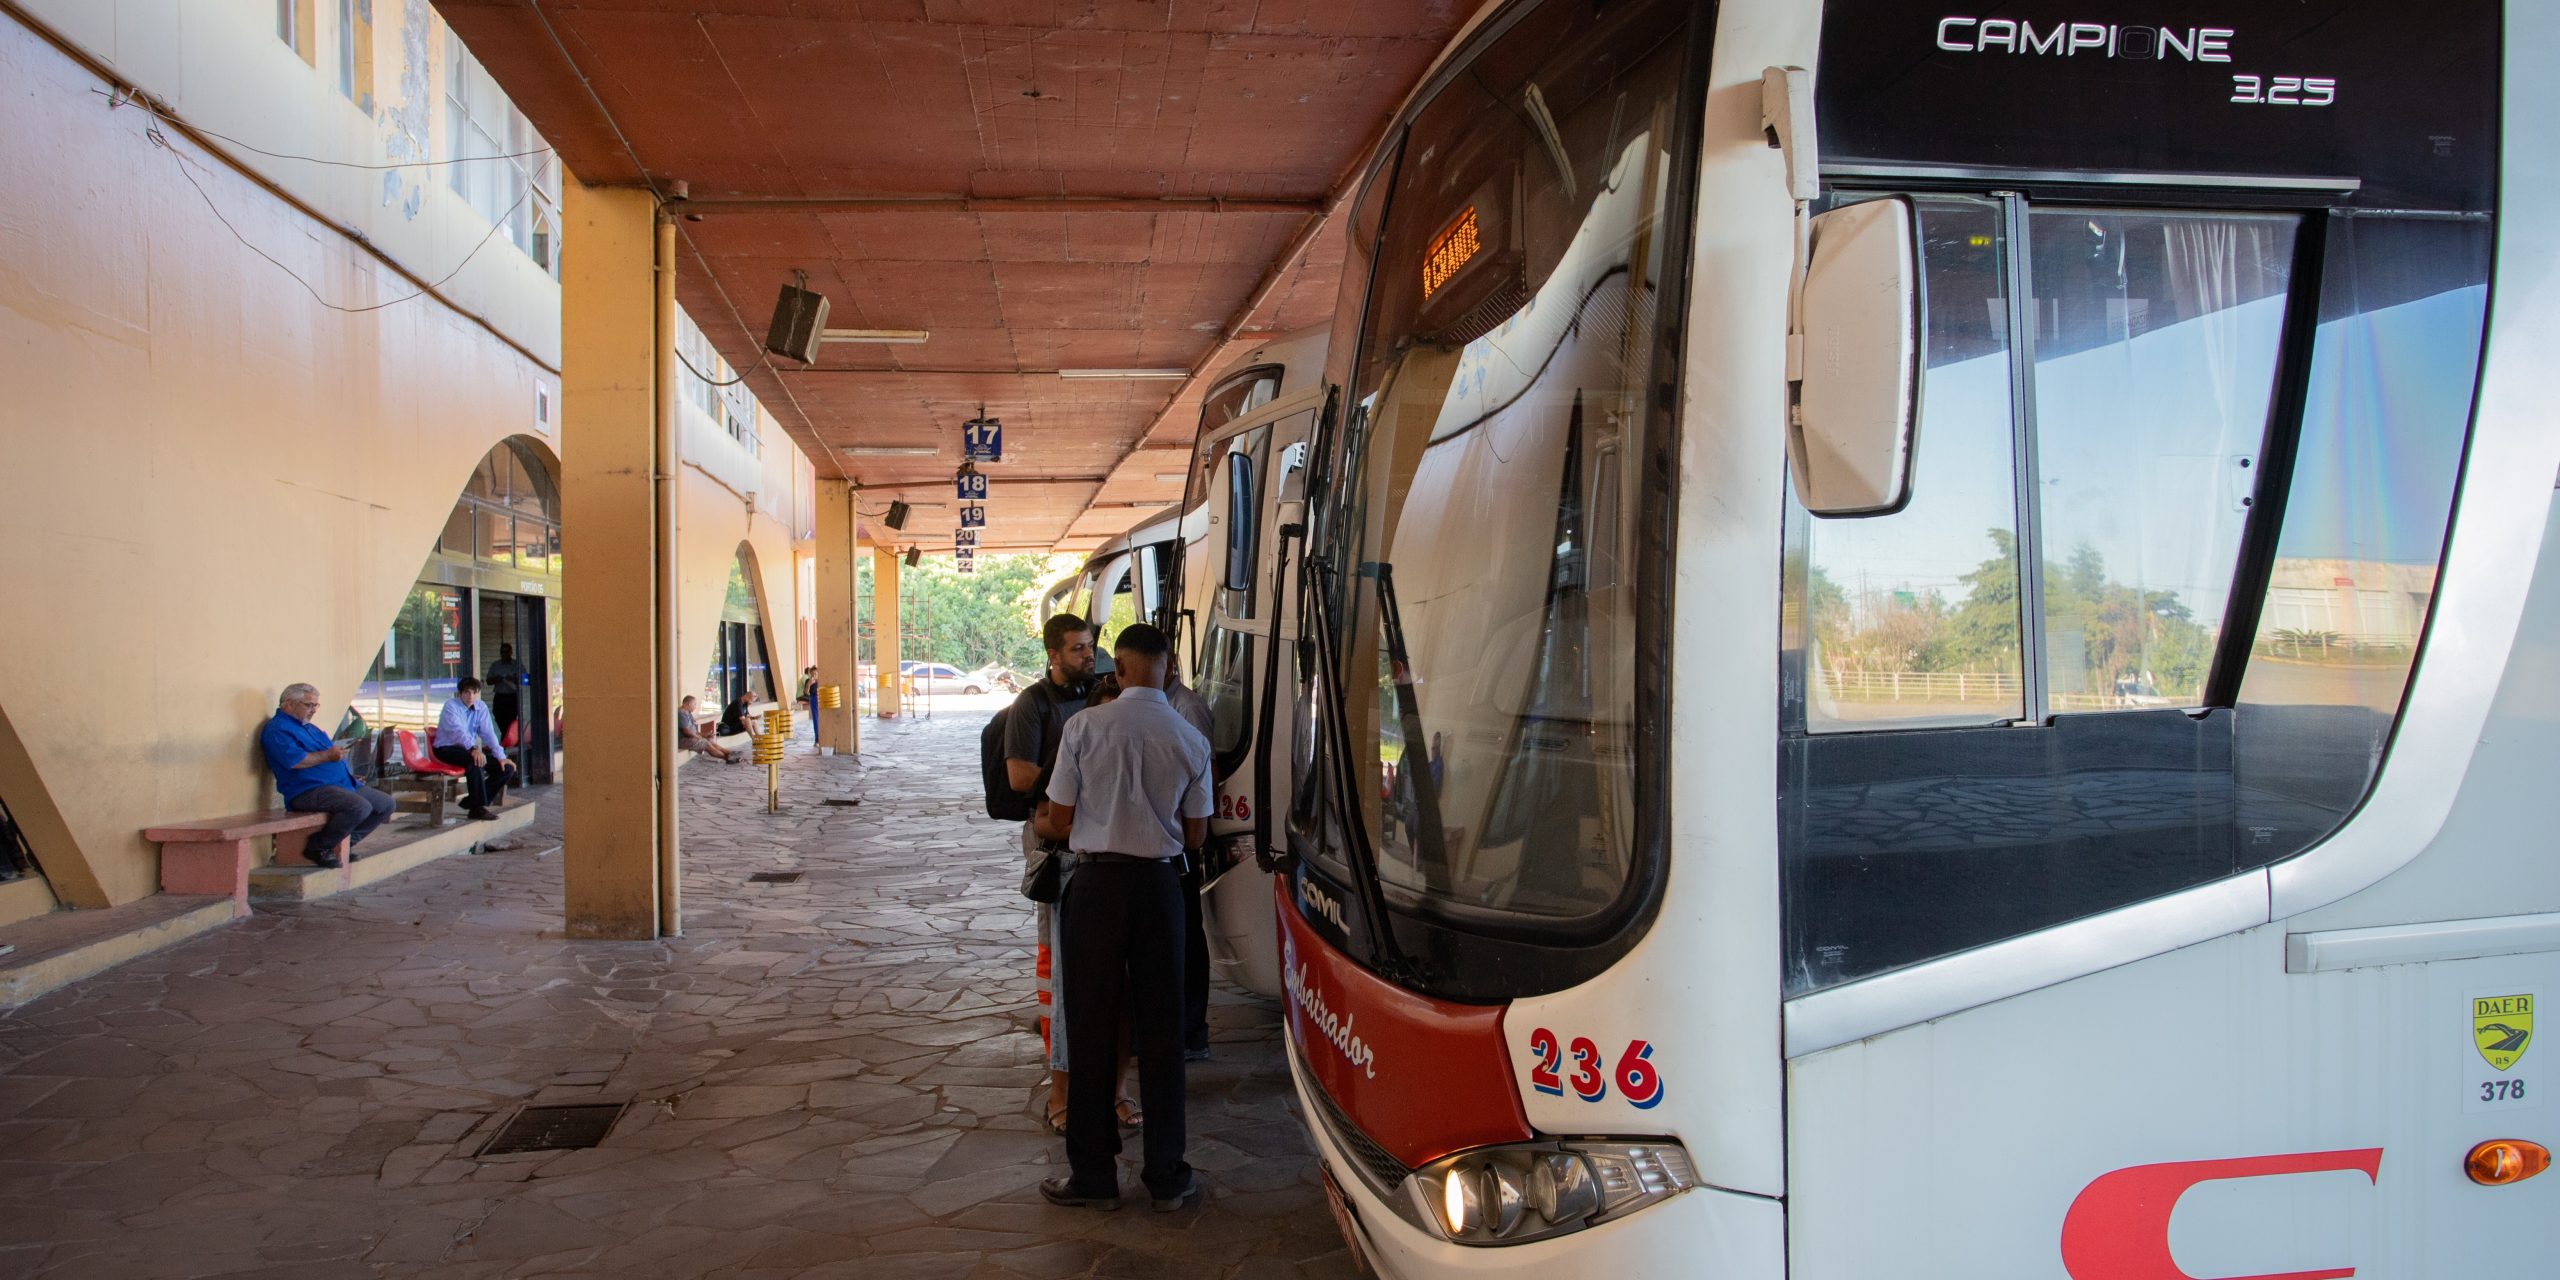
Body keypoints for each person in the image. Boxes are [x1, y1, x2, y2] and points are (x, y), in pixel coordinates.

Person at [1036, 622, 1213, 1213]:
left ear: (1121, 668)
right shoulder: (1191, 741)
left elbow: (1059, 821)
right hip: (1162, 889)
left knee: (1091, 1026)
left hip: (1097, 888)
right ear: (1164, 667)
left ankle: (1094, 1175)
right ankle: (1167, 1174)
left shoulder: (1084, 727)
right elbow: (1195, 833)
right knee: (1162, 1034)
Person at [1007, 615, 1106, 1130]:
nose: (1088, 656)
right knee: (1058, 964)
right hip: (1051, 836)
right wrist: (1071, 766)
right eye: (1076, 650)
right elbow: (1020, 774)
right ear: (1052, 654)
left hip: (1095, 837)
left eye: (1090, 647)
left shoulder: (1102, 693)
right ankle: (1060, 1080)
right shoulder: (1032, 705)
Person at [260, 683, 396, 868]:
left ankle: (344, 844)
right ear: (289, 704)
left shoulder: (309, 727)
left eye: (316, 705)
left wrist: (349, 774)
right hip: (307, 789)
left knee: (385, 804)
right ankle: (318, 847)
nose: (313, 710)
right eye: (308, 705)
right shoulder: (277, 729)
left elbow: (330, 754)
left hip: (342, 784)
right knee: (359, 806)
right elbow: (294, 761)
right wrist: (328, 755)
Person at [1161, 660, 1216, 1063]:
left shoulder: (1186, 709)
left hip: (1181, 843)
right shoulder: (1163, 705)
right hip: (1171, 842)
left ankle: (1192, 1031)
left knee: (1187, 943)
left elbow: (1201, 781)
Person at [434, 677, 519, 821]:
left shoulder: (481, 707)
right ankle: (477, 808)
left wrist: (501, 757)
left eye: (474, 693)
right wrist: (473, 749)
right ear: (460, 693)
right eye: (467, 692)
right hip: (446, 748)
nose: (471, 697)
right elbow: (457, 732)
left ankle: (471, 801)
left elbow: (489, 733)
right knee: (475, 762)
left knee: (506, 769)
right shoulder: (451, 706)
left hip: (468, 750)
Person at [678, 695, 742, 764]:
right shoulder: (681, 714)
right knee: (706, 743)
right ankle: (727, 758)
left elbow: (694, 731)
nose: (695, 706)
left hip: (690, 737)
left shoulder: (688, 713)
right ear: (688, 704)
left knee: (710, 740)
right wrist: (698, 737)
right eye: (694, 704)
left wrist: (705, 735)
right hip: (683, 740)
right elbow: (686, 731)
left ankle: (730, 753)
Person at [485, 644, 527, 742]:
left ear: (511, 652)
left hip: (512, 697)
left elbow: (525, 680)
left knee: (510, 720)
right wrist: (497, 679)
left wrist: (514, 679)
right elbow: (488, 681)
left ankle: (507, 740)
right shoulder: (495, 665)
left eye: (506, 652)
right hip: (500, 696)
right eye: (502, 652)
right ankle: (507, 738)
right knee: (498, 716)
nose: (504, 654)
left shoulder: (517, 665)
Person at [799, 666, 820, 738]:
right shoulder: (808, 681)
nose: (814, 675)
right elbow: (806, 692)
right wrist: (810, 683)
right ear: (810, 674)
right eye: (812, 674)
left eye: (815, 673)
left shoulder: (820, 680)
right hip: (813, 698)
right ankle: (817, 738)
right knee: (815, 719)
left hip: (821, 698)